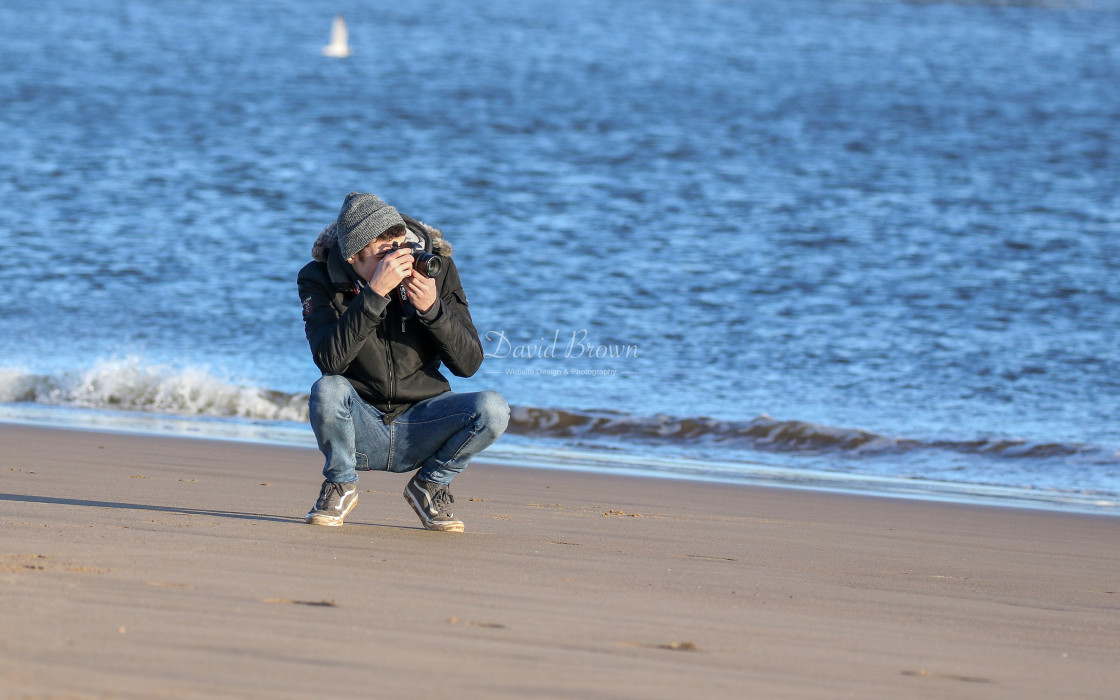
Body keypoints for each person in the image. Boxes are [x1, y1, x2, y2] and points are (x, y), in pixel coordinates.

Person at [296, 192, 509, 532]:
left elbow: (468, 364)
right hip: (360, 425)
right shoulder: (317, 278)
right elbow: (329, 361)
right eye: (383, 252)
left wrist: (433, 310)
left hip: (424, 424)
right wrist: (374, 295)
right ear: (352, 256)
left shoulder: (437, 269)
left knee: (493, 409)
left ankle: (432, 484)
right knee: (328, 389)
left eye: (400, 245)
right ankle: (340, 484)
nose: (397, 259)